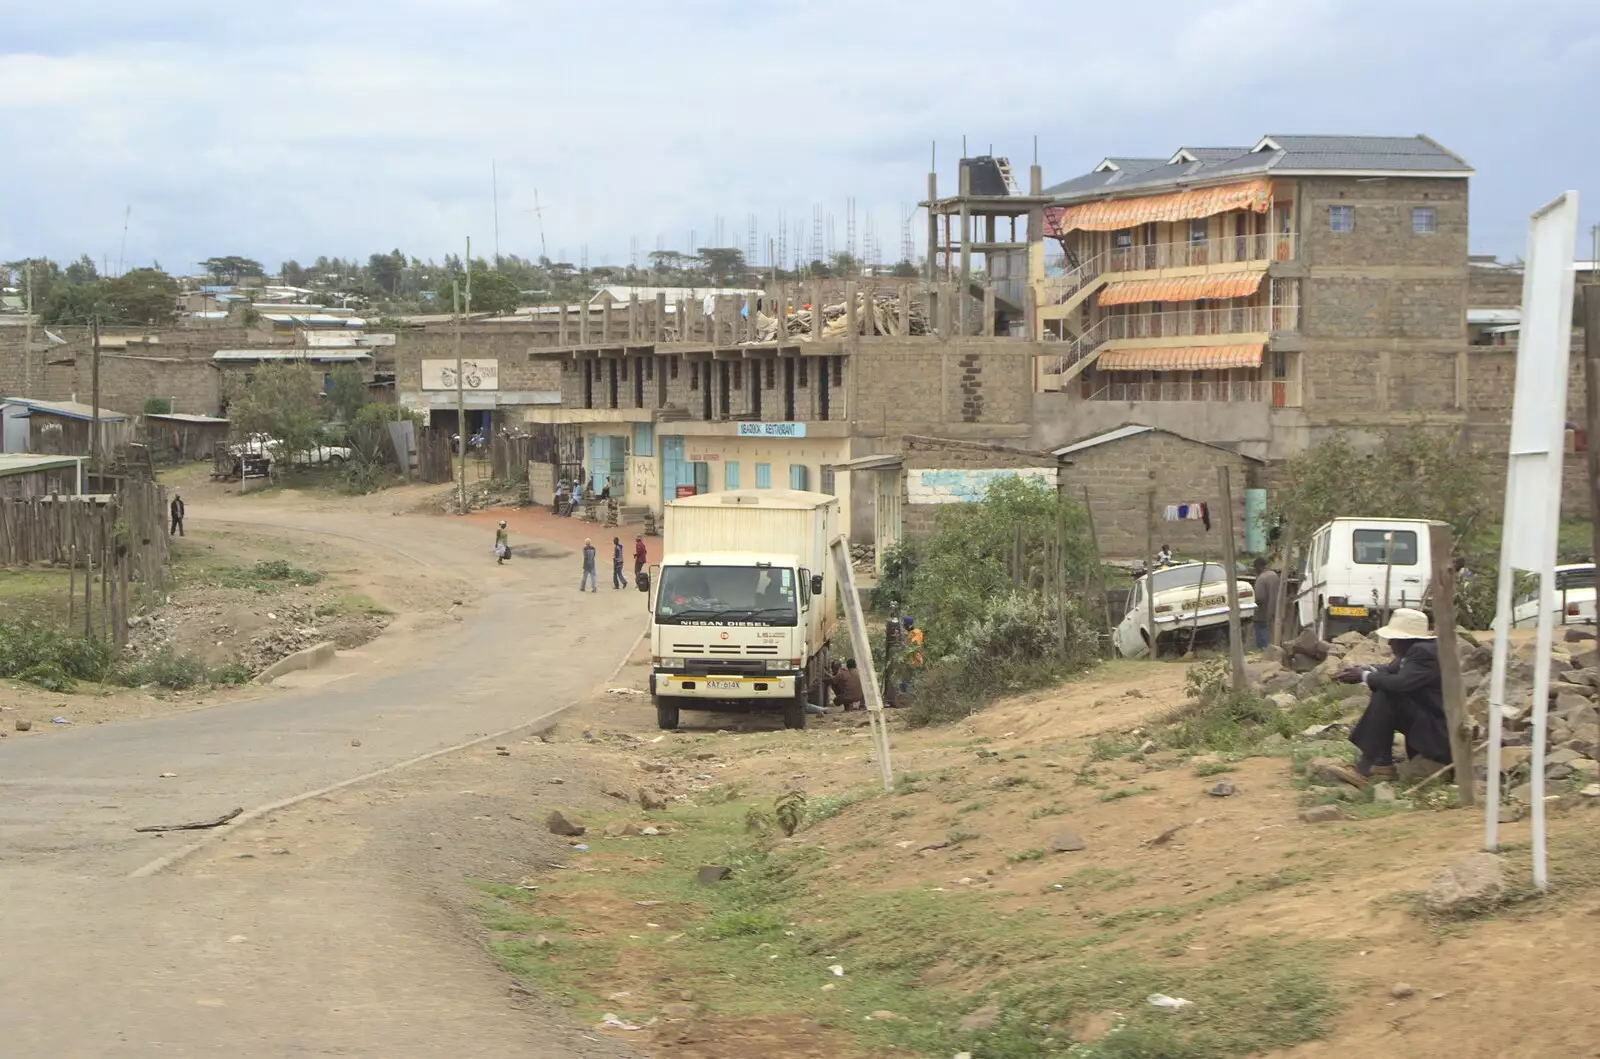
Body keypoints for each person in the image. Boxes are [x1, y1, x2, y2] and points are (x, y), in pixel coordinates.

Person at [1336, 608, 1451, 779]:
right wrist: (1365, 670)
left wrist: (1365, 676)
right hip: (1427, 724)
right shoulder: (1416, 651)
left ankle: (1377, 761)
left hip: (1438, 734)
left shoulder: (1423, 653)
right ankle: (1377, 760)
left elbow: (1400, 683)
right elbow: (1390, 670)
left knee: (1387, 693)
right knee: (1384, 687)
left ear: (1406, 640)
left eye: (1393, 639)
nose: (1390, 644)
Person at [1252, 557, 1280, 650]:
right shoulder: (1274, 575)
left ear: (1259, 566)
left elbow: (1260, 597)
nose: (1255, 570)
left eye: (1255, 567)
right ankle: (1274, 648)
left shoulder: (1261, 578)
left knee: (1260, 628)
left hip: (1263, 611)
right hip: (1275, 608)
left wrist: (1253, 603)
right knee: (1272, 631)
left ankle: (1264, 649)